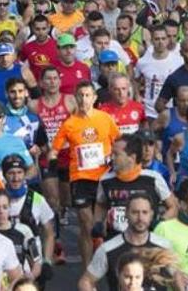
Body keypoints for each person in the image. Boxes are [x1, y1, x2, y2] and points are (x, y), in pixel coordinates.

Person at [50, 80, 122, 261]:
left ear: (94, 98)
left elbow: (120, 143)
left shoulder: (105, 119)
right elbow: (54, 150)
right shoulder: (69, 124)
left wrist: (118, 159)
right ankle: (88, 274)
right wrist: (51, 163)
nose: (84, 99)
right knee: (86, 224)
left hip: (104, 177)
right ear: (75, 98)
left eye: (87, 95)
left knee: (104, 225)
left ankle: (108, 261)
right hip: (80, 179)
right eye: (80, 95)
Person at [82, 194, 178, 291]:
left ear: (151, 215)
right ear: (126, 214)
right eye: (135, 212)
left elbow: (177, 279)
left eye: (144, 212)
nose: (140, 218)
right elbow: (86, 281)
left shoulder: (164, 246)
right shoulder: (108, 249)